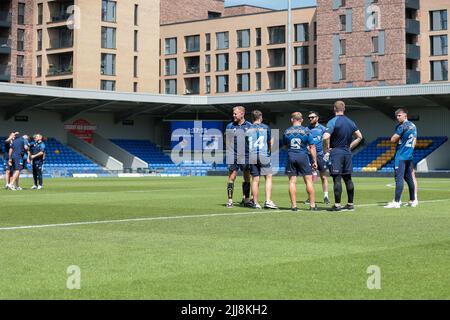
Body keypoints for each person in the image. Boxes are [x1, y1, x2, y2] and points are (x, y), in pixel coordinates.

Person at [323, 101, 363, 211]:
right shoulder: (350, 122)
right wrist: (349, 147)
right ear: (344, 109)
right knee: (348, 178)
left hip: (336, 152)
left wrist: (326, 149)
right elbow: (359, 137)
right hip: (347, 152)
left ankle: (337, 205)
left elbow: (326, 137)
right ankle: (350, 204)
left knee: (337, 179)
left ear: (334, 109)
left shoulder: (333, 121)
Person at [283, 112, 318, 211]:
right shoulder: (306, 131)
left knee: (292, 182)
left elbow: (285, 146)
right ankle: (312, 205)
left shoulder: (286, 131)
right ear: (302, 120)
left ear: (291, 120)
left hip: (291, 156)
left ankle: (294, 206)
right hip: (303, 157)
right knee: (308, 181)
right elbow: (312, 147)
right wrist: (314, 161)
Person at [384, 108, 418, 208]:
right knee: (409, 179)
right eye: (397, 116)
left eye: (399, 115)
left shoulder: (402, 126)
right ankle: (413, 200)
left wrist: (396, 138)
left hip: (401, 156)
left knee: (399, 178)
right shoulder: (413, 125)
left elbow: (392, 139)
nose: (398, 118)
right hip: (409, 155)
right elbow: (415, 140)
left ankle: (397, 201)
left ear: (405, 115)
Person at [247, 110, 278, 209]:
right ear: (260, 117)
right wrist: (269, 151)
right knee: (268, 176)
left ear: (252, 118)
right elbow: (269, 142)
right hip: (263, 154)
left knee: (255, 179)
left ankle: (255, 203)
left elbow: (246, 143)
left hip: (252, 155)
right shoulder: (265, 127)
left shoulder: (248, 129)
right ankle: (268, 201)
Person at [225, 106, 252, 208]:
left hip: (246, 155)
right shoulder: (230, 126)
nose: (233, 115)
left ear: (242, 114)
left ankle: (246, 199)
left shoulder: (249, 126)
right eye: (233, 113)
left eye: (235, 114)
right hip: (233, 155)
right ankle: (230, 201)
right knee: (232, 177)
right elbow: (227, 140)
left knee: (247, 178)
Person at [306, 111, 330, 205]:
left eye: (312, 117)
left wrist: (327, 152)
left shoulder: (323, 129)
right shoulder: (306, 129)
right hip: (309, 155)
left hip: (320, 155)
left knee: (323, 176)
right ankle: (310, 197)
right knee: (310, 177)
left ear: (317, 118)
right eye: (309, 118)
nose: (310, 119)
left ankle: (326, 196)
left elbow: (327, 140)